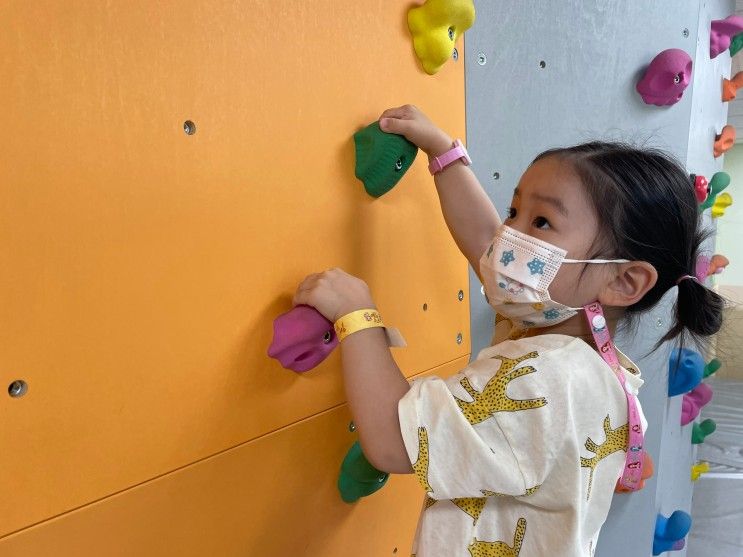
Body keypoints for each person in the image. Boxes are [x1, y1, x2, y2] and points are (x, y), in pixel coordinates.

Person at [292, 105, 725, 556]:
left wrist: (358, 315)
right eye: (514, 210)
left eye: (541, 222)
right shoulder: (582, 353)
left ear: (622, 281)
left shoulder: (546, 378)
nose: (508, 236)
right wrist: (444, 156)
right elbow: (485, 243)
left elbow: (392, 441)